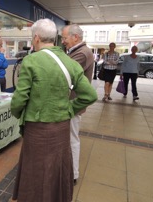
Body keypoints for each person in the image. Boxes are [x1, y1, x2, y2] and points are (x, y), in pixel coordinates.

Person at [11, 19, 97, 202]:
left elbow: (19, 99)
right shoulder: (70, 61)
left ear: (36, 38)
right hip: (61, 128)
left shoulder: (31, 61)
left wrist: (17, 113)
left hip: (37, 129)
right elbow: (90, 95)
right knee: (56, 168)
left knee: (36, 170)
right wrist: (69, 109)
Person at [61, 24, 95, 185]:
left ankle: (73, 174)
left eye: (65, 38)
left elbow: (63, 71)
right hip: (71, 102)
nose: (63, 41)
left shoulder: (82, 53)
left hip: (74, 103)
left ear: (75, 37)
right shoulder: (77, 51)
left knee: (72, 138)